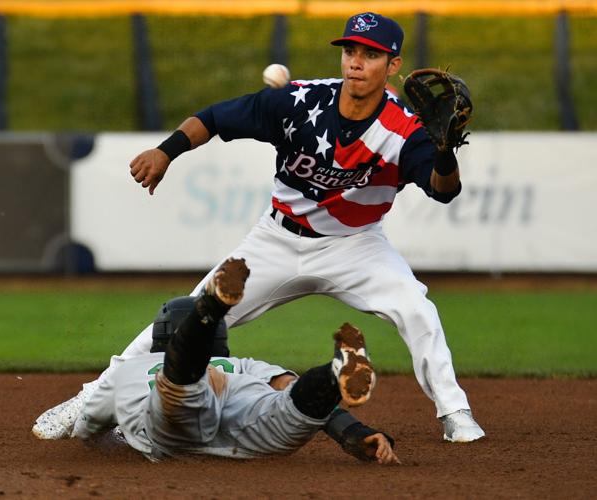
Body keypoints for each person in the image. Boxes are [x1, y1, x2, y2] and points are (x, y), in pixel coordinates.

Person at [34, 12, 484, 443]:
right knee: (190, 316)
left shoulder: (404, 129)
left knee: (416, 308)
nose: (355, 61)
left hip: (356, 246)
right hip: (277, 240)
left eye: (369, 53)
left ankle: (455, 413)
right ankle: (88, 398)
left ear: (393, 65)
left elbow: (443, 190)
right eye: (349, 50)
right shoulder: (301, 101)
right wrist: (166, 151)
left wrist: (444, 153)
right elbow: (214, 118)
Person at [71, 258, 400, 464]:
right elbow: (289, 386)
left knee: (181, 389)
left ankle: (209, 310)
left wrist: (122, 442)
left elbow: (87, 430)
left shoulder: (127, 369)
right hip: (244, 421)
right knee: (287, 410)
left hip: (173, 429)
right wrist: (352, 432)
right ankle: (332, 376)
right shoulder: (243, 364)